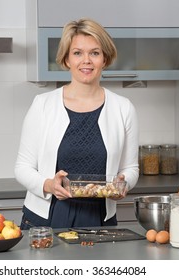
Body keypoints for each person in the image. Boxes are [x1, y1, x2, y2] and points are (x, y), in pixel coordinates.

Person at [15, 18, 139, 230]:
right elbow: (22, 167)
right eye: (77, 53)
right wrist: (48, 185)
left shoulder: (123, 108)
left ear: (105, 59)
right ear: (66, 60)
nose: (86, 61)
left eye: (95, 53)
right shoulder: (42, 105)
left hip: (100, 219)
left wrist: (123, 183)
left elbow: (130, 168)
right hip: (47, 217)